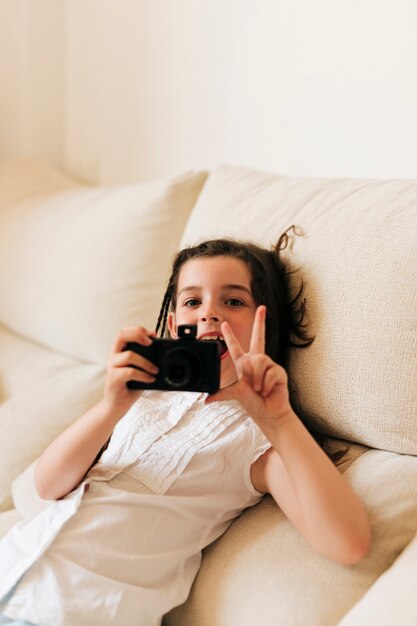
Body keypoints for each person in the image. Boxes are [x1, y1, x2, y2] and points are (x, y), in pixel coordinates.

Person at [0, 230, 371, 626]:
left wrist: (277, 420)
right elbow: (46, 485)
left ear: (266, 321)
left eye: (233, 301)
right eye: (193, 301)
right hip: (13, 567)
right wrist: (111, 408)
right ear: (176, 325)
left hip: (76, 611)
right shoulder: (143, 399)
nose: (209, 313)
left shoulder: (257, 440)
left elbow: (347, 544)